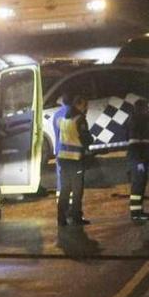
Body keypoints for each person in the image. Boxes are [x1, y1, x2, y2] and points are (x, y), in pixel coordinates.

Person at [57, 94, 93, 227]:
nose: (86, 108)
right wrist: (91, 139)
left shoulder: (63, 119)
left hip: (63, 159)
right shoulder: (80, 119)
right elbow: (85, 138)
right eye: (85, 105)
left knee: (65, 190)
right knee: (77, 191)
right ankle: (77, 217)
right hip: (75, 160)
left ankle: (61, 219)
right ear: (79, 105)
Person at [127, 99, 149, 222]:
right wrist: (138, 161)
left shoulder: (138, 120)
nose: (147, 110)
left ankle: (138, 211)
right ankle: (136, 214)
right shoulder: (137, 122)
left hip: (141, 158)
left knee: (140, 184)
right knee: (138, 185)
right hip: (138, 158)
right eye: (146, 109)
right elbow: (134, 144)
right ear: (142, 109)